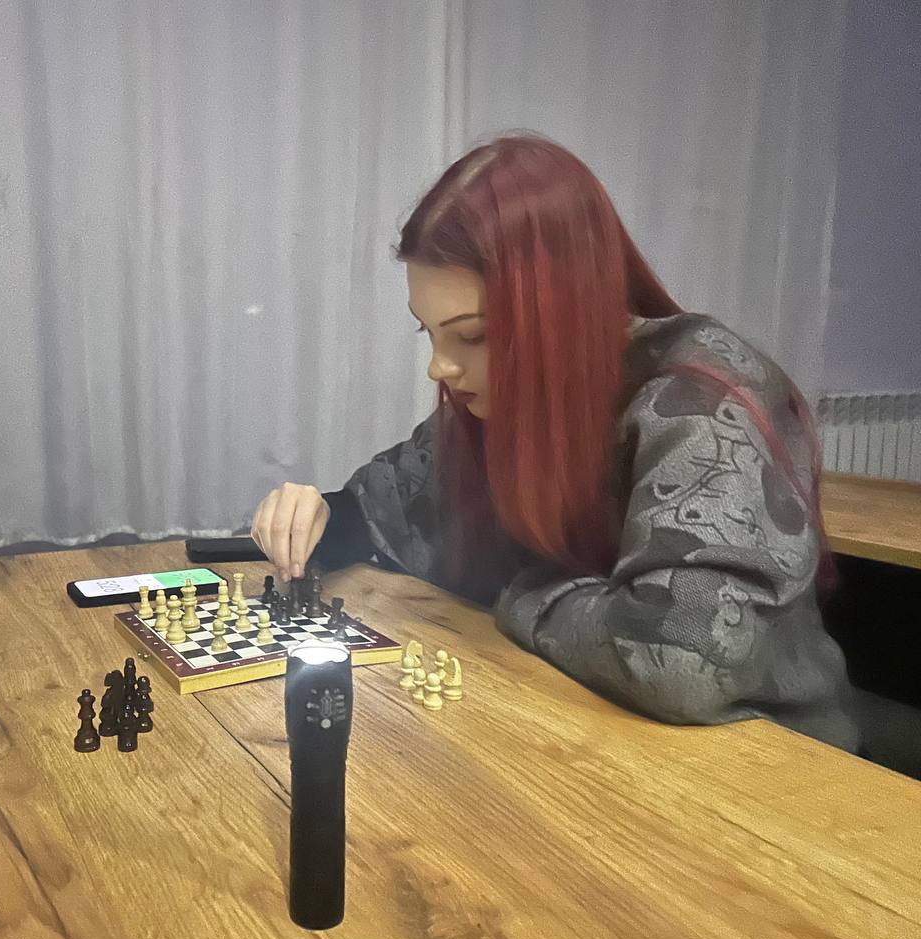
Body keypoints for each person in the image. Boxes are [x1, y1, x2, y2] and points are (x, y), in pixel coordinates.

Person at [251, 134, 861, 755]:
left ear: (557, 312)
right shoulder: (508, 404)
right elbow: (386, 510)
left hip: (775, 763)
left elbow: (678, 659)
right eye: (429, 333)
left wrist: (519, 593)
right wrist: (316, 514)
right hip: (597, 729)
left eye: (473, 336)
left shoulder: (702, 403)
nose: (440, 368)